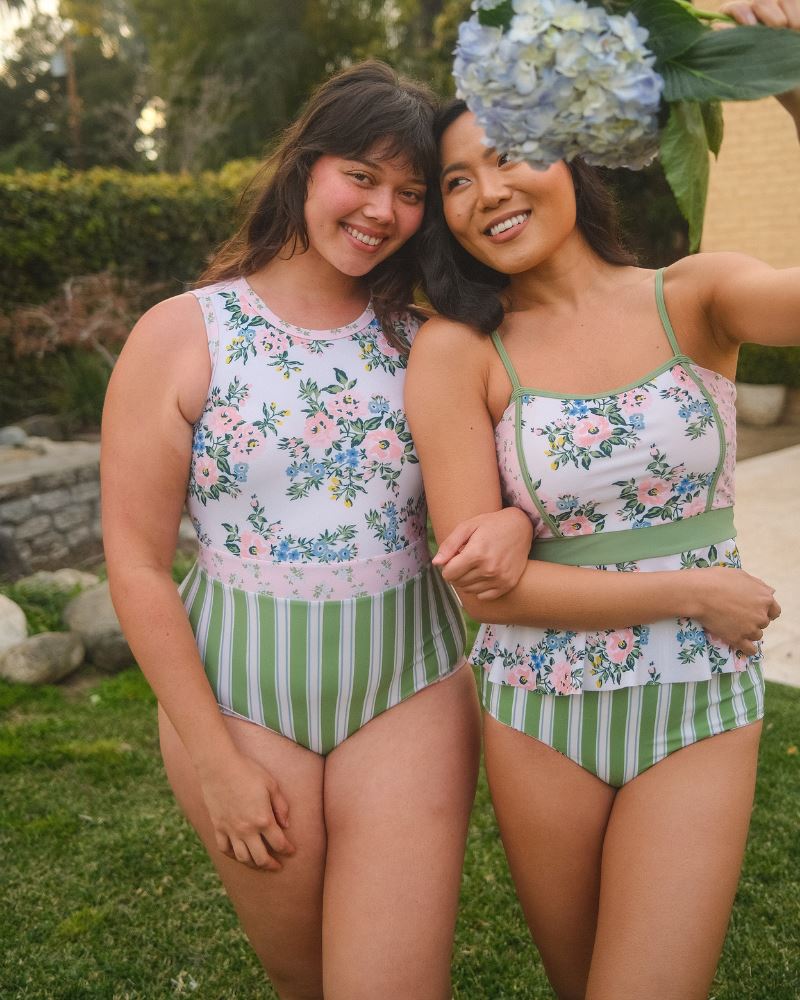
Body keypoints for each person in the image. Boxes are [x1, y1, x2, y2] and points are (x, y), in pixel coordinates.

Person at [101, 61, 533, 1000]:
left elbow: (532, 477)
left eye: (413, 193)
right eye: (363, 176)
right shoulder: (181, 335)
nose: (384, 210)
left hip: (407, 692)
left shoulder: (434, 342)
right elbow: (134, 562)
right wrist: (213, 761)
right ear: (306, 166)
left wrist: (514, 520)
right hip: (238, 708)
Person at [405, 4, 799, 998]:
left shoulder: (692, 297)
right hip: (537, 713)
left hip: (695, 703)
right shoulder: (457, 352)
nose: (484, 191)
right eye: (453, 181)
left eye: (507, 155)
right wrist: (692, 591)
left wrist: (791, 84)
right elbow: (485, 591)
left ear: (571, 157)